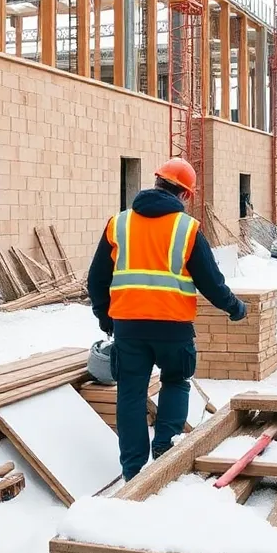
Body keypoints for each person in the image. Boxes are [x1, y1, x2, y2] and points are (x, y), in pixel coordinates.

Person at [87, 158, 248, 482]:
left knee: (130, 394)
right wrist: (235, 308)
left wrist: (106, 317)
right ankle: (165, 454)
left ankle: (133, 472)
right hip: (173, 328)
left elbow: (96, 279)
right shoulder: (187, 229)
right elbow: (211, 282)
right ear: (185, 194)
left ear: (156, 182)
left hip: (129, 327)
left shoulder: (119, 223)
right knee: (175, 381)